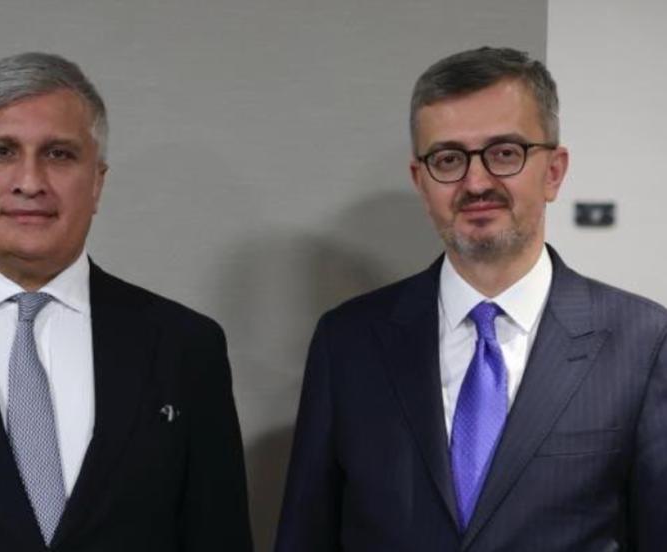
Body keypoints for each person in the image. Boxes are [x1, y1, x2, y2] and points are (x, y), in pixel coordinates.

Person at [0, 52, 253, 552]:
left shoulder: (186, 347)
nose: (31, 182)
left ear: (97, 182)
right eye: (1, 152)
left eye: (58, 154)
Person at [274, 46, 667, 551]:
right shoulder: (347, 341)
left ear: (553, 171)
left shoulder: (643, 342)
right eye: (448, 159)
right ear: (421, 182)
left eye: (504, 153)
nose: (476, 182)